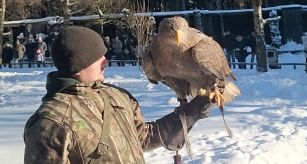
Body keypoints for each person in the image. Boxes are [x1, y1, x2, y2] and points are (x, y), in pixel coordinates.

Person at [24, 26, 211, 163]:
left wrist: (190, 113)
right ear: (78, 63)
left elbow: (143, 137)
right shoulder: (50, 123)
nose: (106, 61)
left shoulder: (117, 96)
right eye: (98, 57)